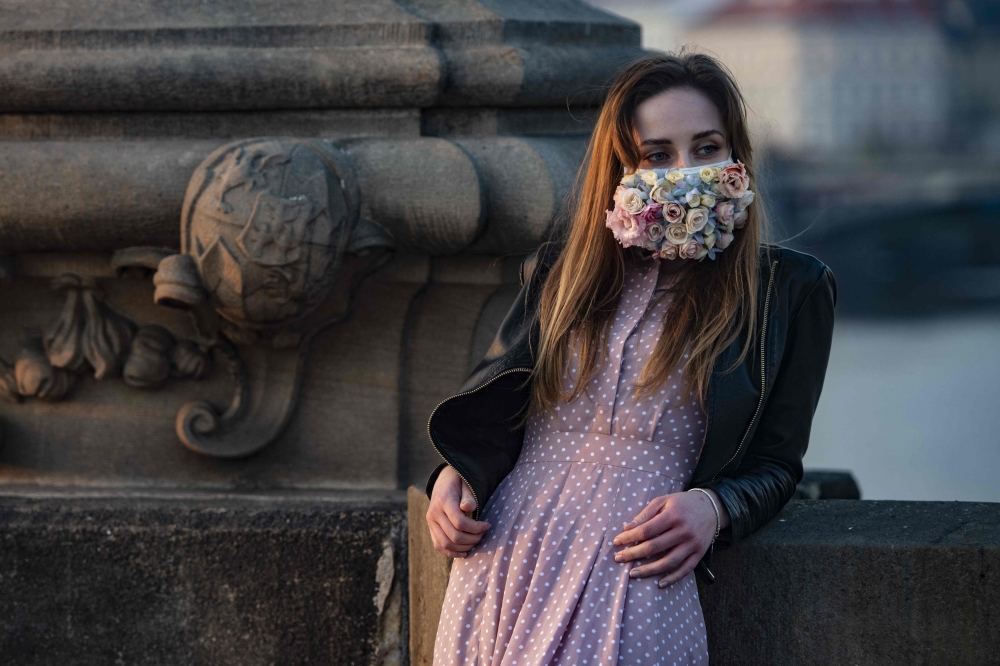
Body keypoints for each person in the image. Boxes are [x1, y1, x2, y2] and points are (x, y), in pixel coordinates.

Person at [423, 52, 837, 665]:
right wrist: (453, 477)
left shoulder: (790, 289)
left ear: (736, 156)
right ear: (622, 169)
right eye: (657, 155)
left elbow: (778, 461)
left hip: (637, 571)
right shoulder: (560, 272)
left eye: (706, 148)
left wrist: (716, 506)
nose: (686, 172)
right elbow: (496, 406)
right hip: (503, 560)